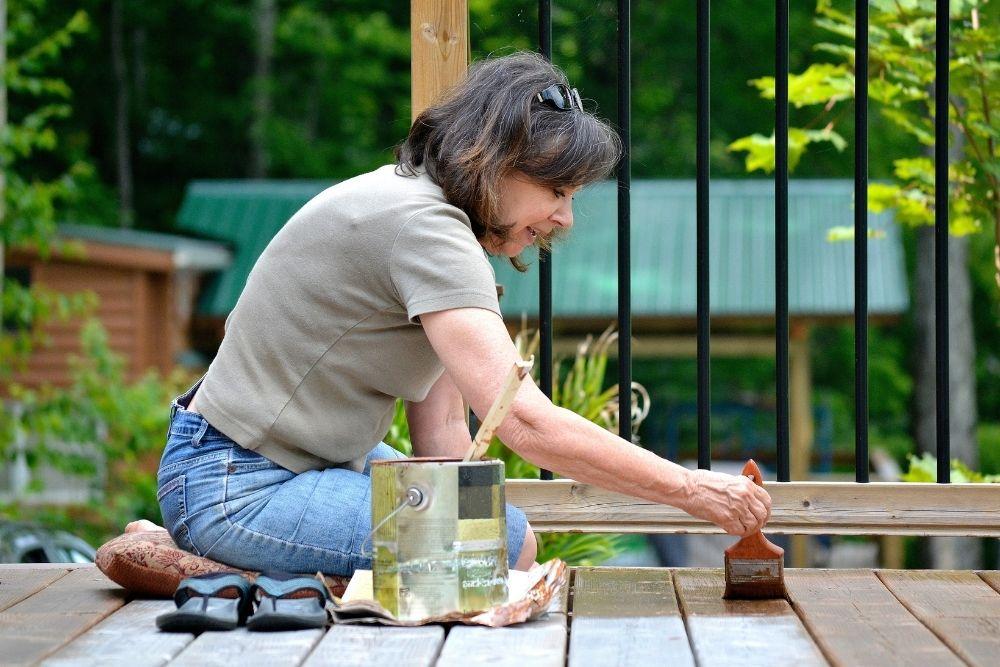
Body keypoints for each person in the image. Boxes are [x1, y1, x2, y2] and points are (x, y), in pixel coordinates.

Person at [155, 51, 771, 577]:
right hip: (238, 483)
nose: (566, 219)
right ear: (496, 158)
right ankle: (218, 566)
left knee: (505, 539)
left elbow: (443, 432)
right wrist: (694, 489)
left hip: (295, 462)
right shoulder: (425, 229)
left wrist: (456, 536)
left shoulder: (428, 217)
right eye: (557, 192)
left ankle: (255, 565)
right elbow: (526, 425)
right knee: (495, 547)